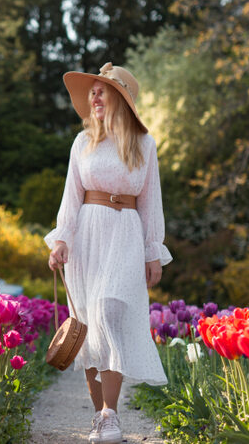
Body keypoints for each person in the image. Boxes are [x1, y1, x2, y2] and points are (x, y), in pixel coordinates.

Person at [45, 62, 170, 444]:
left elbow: (151, 203)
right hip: (87, 237)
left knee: (109, 312)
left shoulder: (144, 144)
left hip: (126, 235)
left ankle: (111, 414)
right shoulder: (82, 143)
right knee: (88, 328)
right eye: (92, 91)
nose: (94, 96)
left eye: (102, 90)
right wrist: (61, 239)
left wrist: (153, 251)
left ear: (121, 98)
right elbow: (70, 196)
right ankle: (100, 417)